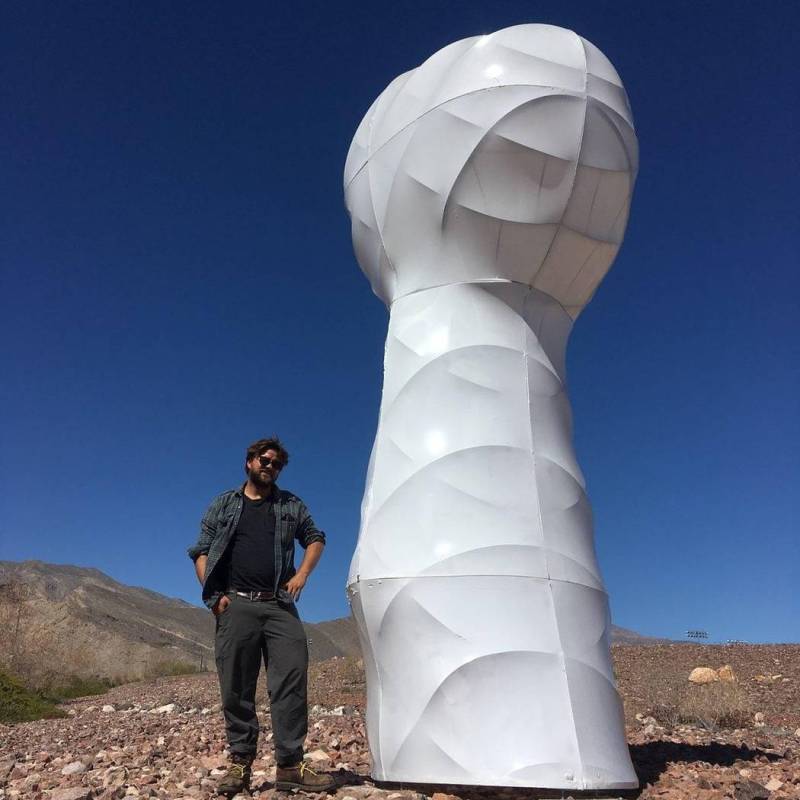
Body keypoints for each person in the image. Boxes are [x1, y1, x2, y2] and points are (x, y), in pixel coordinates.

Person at [188, 436, 336, 796]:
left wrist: (302, 574)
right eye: (264, 460)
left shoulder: (290, 505)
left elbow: (316, 537)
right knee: (236, 686)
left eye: (277, 464)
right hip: (235, 604)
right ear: (249, 461)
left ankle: (289, 766)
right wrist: (216, 597)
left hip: (279, 605)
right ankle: (240, 765)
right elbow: (200, 551)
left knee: (290, 682)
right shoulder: (224, 504)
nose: (270, 467)